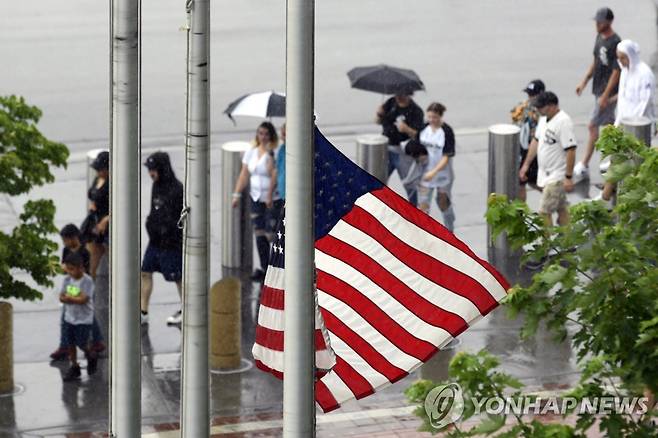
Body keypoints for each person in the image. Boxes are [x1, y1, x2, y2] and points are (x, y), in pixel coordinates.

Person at [597, 39, 656, 204]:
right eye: (618, 58)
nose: (620, 61)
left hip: (638, 127)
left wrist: (631, 126)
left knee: (630, 162)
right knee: (619, 159)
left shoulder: (645, 74)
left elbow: (644, 103)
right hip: (623, 123)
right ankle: (611, 194)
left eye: (623, 57)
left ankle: (609, 196)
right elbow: (624, 96)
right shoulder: (625, 71)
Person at [574, 7, 621, 182]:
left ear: (608, 22)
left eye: (600, 22)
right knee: (609, 127)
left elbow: (616, 72)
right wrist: (584, 82)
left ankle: (584, 164)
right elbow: (596, 61)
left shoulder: (615, 42)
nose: (597, 24)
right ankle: (615, 161)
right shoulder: (599, 38)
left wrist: (605, 96)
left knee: (592, 125)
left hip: (608, 93)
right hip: (598, 89)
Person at [232, 122, 282, 282]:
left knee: (271, 233)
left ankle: (277, 267)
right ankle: (264, 267)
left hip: (272, 197)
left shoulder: (274, 152)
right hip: (255, 197)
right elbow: (244, 174)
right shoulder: (251, 152)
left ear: (271, 135)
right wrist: (237, 194)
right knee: (259, 233)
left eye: (266, 134)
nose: (263, 137)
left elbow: (273, 174)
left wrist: (268, 195)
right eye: (260, 133)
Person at [520, 92, 577, 227]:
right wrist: (526, 165)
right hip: (546, 175)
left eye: (541, 107)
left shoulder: (563, 122)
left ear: (551, 106)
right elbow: (535, 141)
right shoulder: (543, 119)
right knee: (561, 208)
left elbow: (571, 150)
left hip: (557, 177)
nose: (538, 110)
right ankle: (568, 239)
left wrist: (568, 177)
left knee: (544, 212)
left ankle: (546, 244)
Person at [140, 152, 184, 325]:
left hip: (171, 243)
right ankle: (143, 311)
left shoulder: (177, 189)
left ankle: (185, 309)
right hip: (155, 240)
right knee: (145, 272)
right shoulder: (156, 185)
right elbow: (154, 210)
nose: (151, 173)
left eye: (153, 169)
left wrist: (168, 232)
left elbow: (177, 218)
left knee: (177, 277)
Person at [50, 224, 105, 361]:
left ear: (73, 238)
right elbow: (65, 267)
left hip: (82, 285)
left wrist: (67, 269)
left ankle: (66, 346)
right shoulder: (66, 250)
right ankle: (96, 341)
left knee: (70, 316)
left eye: (66, 240)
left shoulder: (84, 252)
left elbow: (81, 270)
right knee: (85, 315)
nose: (65, 243)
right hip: (71, 285)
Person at [409, 102, 456, 231]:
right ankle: (424, 232)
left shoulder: (446, 131)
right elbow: (417, 145)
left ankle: (450, 229)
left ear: (440, 116)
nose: (431, 120)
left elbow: (446, 156)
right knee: (423, 204)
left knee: (443, 202)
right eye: (429, 117)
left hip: (442, 175)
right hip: (425, 173)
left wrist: (434, 172)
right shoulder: (424, 128)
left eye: (434, 117)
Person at [376, 92, 425, 205]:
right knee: (379, 181)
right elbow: (378, 122)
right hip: (386, 149)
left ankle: (414, 212)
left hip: (403, 151)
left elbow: (420, 135)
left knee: (409, 183)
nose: (398, 97)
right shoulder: (390, 103)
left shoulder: (416, 111)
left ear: (409, 94)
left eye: (402, 94)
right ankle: (379, 207)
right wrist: (378, 114)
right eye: (397, 94)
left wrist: (407, 129)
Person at [59, 252, 98, 381]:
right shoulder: (67, 280)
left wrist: (70, 297)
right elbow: (61, 296)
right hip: (69, 317)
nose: (69, 272)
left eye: (72, 269)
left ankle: (90, 354)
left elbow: (84, 299)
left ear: (81, 267)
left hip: (83, 319)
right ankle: (74, 366)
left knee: (81, 343)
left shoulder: (87, 280)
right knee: (70, 343)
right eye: (68, 269)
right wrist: (71, 298)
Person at [511, 79, 545, 201]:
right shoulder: (522, 107)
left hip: (536, 151)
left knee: (535, 182)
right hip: (522, 150)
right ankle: (521, 213)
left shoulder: (543, 112)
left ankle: (557, 201)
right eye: (528, 94)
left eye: (532, 94)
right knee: (520, 182)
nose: (529, 97)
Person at [81, 151, 110, 279]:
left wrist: (107, 219)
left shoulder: (114, 183)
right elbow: (93, 194)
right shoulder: (98, 179)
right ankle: (85, 294)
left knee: (115, 265)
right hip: (95, 224)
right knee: (89, 265)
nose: (99, 172)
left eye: (101, 169)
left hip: (107, 226)